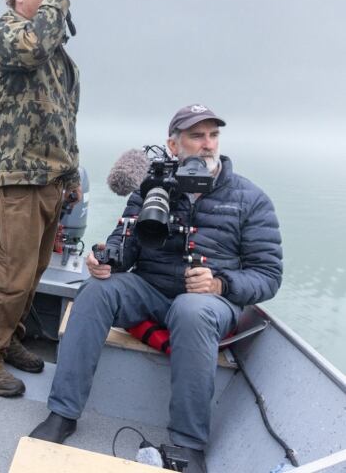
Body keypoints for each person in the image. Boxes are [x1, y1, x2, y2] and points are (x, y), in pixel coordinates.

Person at [30, 104, 283, 473]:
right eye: (196, 136)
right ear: (174, 145)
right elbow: (124, 243)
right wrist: (104, 259)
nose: (207, 144)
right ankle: (62, 413)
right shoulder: (152, 187)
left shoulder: (249, 199)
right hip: (149, 290)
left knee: (190, 310)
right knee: (95, 291)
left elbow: (268, 275)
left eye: (213, 135)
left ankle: (188, 444)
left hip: (210, 302)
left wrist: (220, 283)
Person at [0, 0, 83, 398]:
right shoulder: (5, 31)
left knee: (33, 275)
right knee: (11, 277)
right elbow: (33, 46)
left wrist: (71, 175)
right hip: (15, 178)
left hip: (51, 180)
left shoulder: (60, 57)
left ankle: (8, 340)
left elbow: (65, 118)